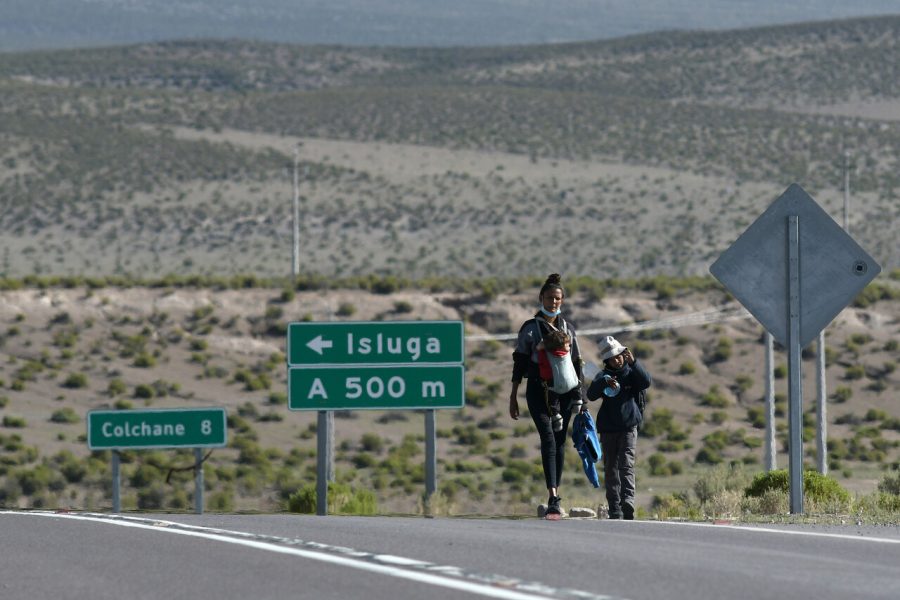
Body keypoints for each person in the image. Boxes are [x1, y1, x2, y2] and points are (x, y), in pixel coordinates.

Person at [509, 273, 586, 516]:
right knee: (548, 439)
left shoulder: (568, 329)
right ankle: (553, 496)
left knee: (560, 441)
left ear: (562, 300)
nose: (554, 302)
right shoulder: (530, 329)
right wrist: (513, 395)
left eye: (558, 298)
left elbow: (577, 363)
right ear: (541, 297)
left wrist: (581, 397)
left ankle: (556, 492)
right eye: (550, 297)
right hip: (538, 391)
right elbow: (520, 362)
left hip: (565, 392)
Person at [586, 335, 651, 520]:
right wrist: (603, 382)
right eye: (613, 358)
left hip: (629, 426)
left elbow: (646, 381)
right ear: (607, 361)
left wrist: (634, 363)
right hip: (608, 428)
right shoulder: (602, 376)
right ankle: (615, 507)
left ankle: (628, 500)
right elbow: (591, 395)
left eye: (619, 356)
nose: (617, 360)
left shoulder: (631, 373)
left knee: (626, 464)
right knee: (610, 468)